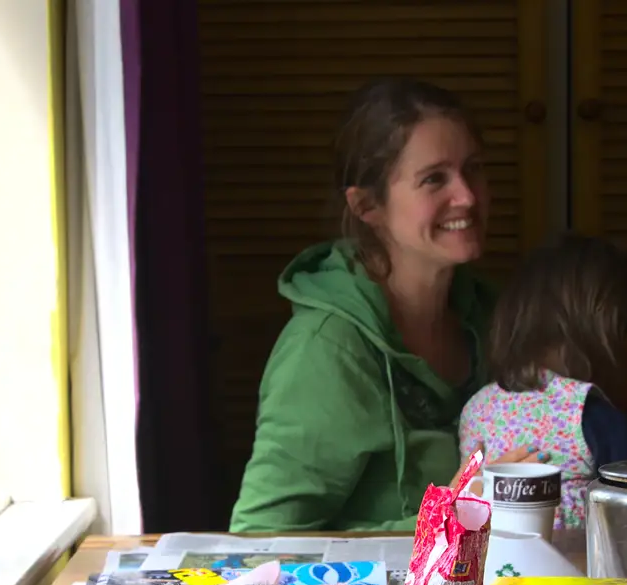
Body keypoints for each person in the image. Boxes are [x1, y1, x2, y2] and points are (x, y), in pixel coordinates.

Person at [228, 79, 536, 533]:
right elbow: (261, 539)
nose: (467, 196)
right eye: (435, 179)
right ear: (368, 206)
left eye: (474, 169)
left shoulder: (496, 314)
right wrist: (446, 521)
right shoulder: (326, 349)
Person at [458, 233, 627, 528]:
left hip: (486, 564)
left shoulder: (478, 405)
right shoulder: (594, 417)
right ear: (607, 340)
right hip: (568, 568)